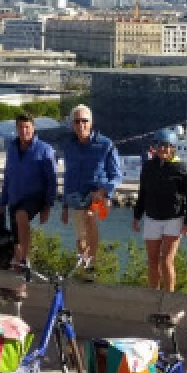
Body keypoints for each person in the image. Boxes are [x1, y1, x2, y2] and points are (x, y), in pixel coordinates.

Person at [60, 104, 122, 275]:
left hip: (99, 197)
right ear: (72, 124)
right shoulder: (69, 146)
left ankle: (92, 264)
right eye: (77, 121)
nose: (81, 125)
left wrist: (102, 192)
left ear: (91, 122)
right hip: (75, 197)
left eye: (84, 121)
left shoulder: (106, 144)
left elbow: (116, 176)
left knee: (89, 218)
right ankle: (84, 268)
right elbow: (68, 176)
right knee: (80, 239)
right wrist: (64, 207)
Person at [132, 128, 187, 292]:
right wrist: (136, 216)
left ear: (173, 147)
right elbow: (143, 193)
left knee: (166, 260)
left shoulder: (181, 169)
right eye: (160, 145)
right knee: (152, 260)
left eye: (167, 146)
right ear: (155, 146)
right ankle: (154, 295)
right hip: (152, 218)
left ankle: (169, 296)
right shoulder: (148, 167)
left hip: (173, 219)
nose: (163, 149)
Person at [0, 113, 57, 269]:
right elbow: (8, 176)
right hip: (15, 197)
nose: (24, 131)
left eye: (27, 127)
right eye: (21, 127)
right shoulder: (12, 149)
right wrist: (2, 203)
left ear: (33, 128)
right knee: (16, 240)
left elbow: (52, 180)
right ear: (16, 129)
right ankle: (20, 274)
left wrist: (48, 206)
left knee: (21, 215)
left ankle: (25, 259)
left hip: (35, 197)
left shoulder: (45, 150)